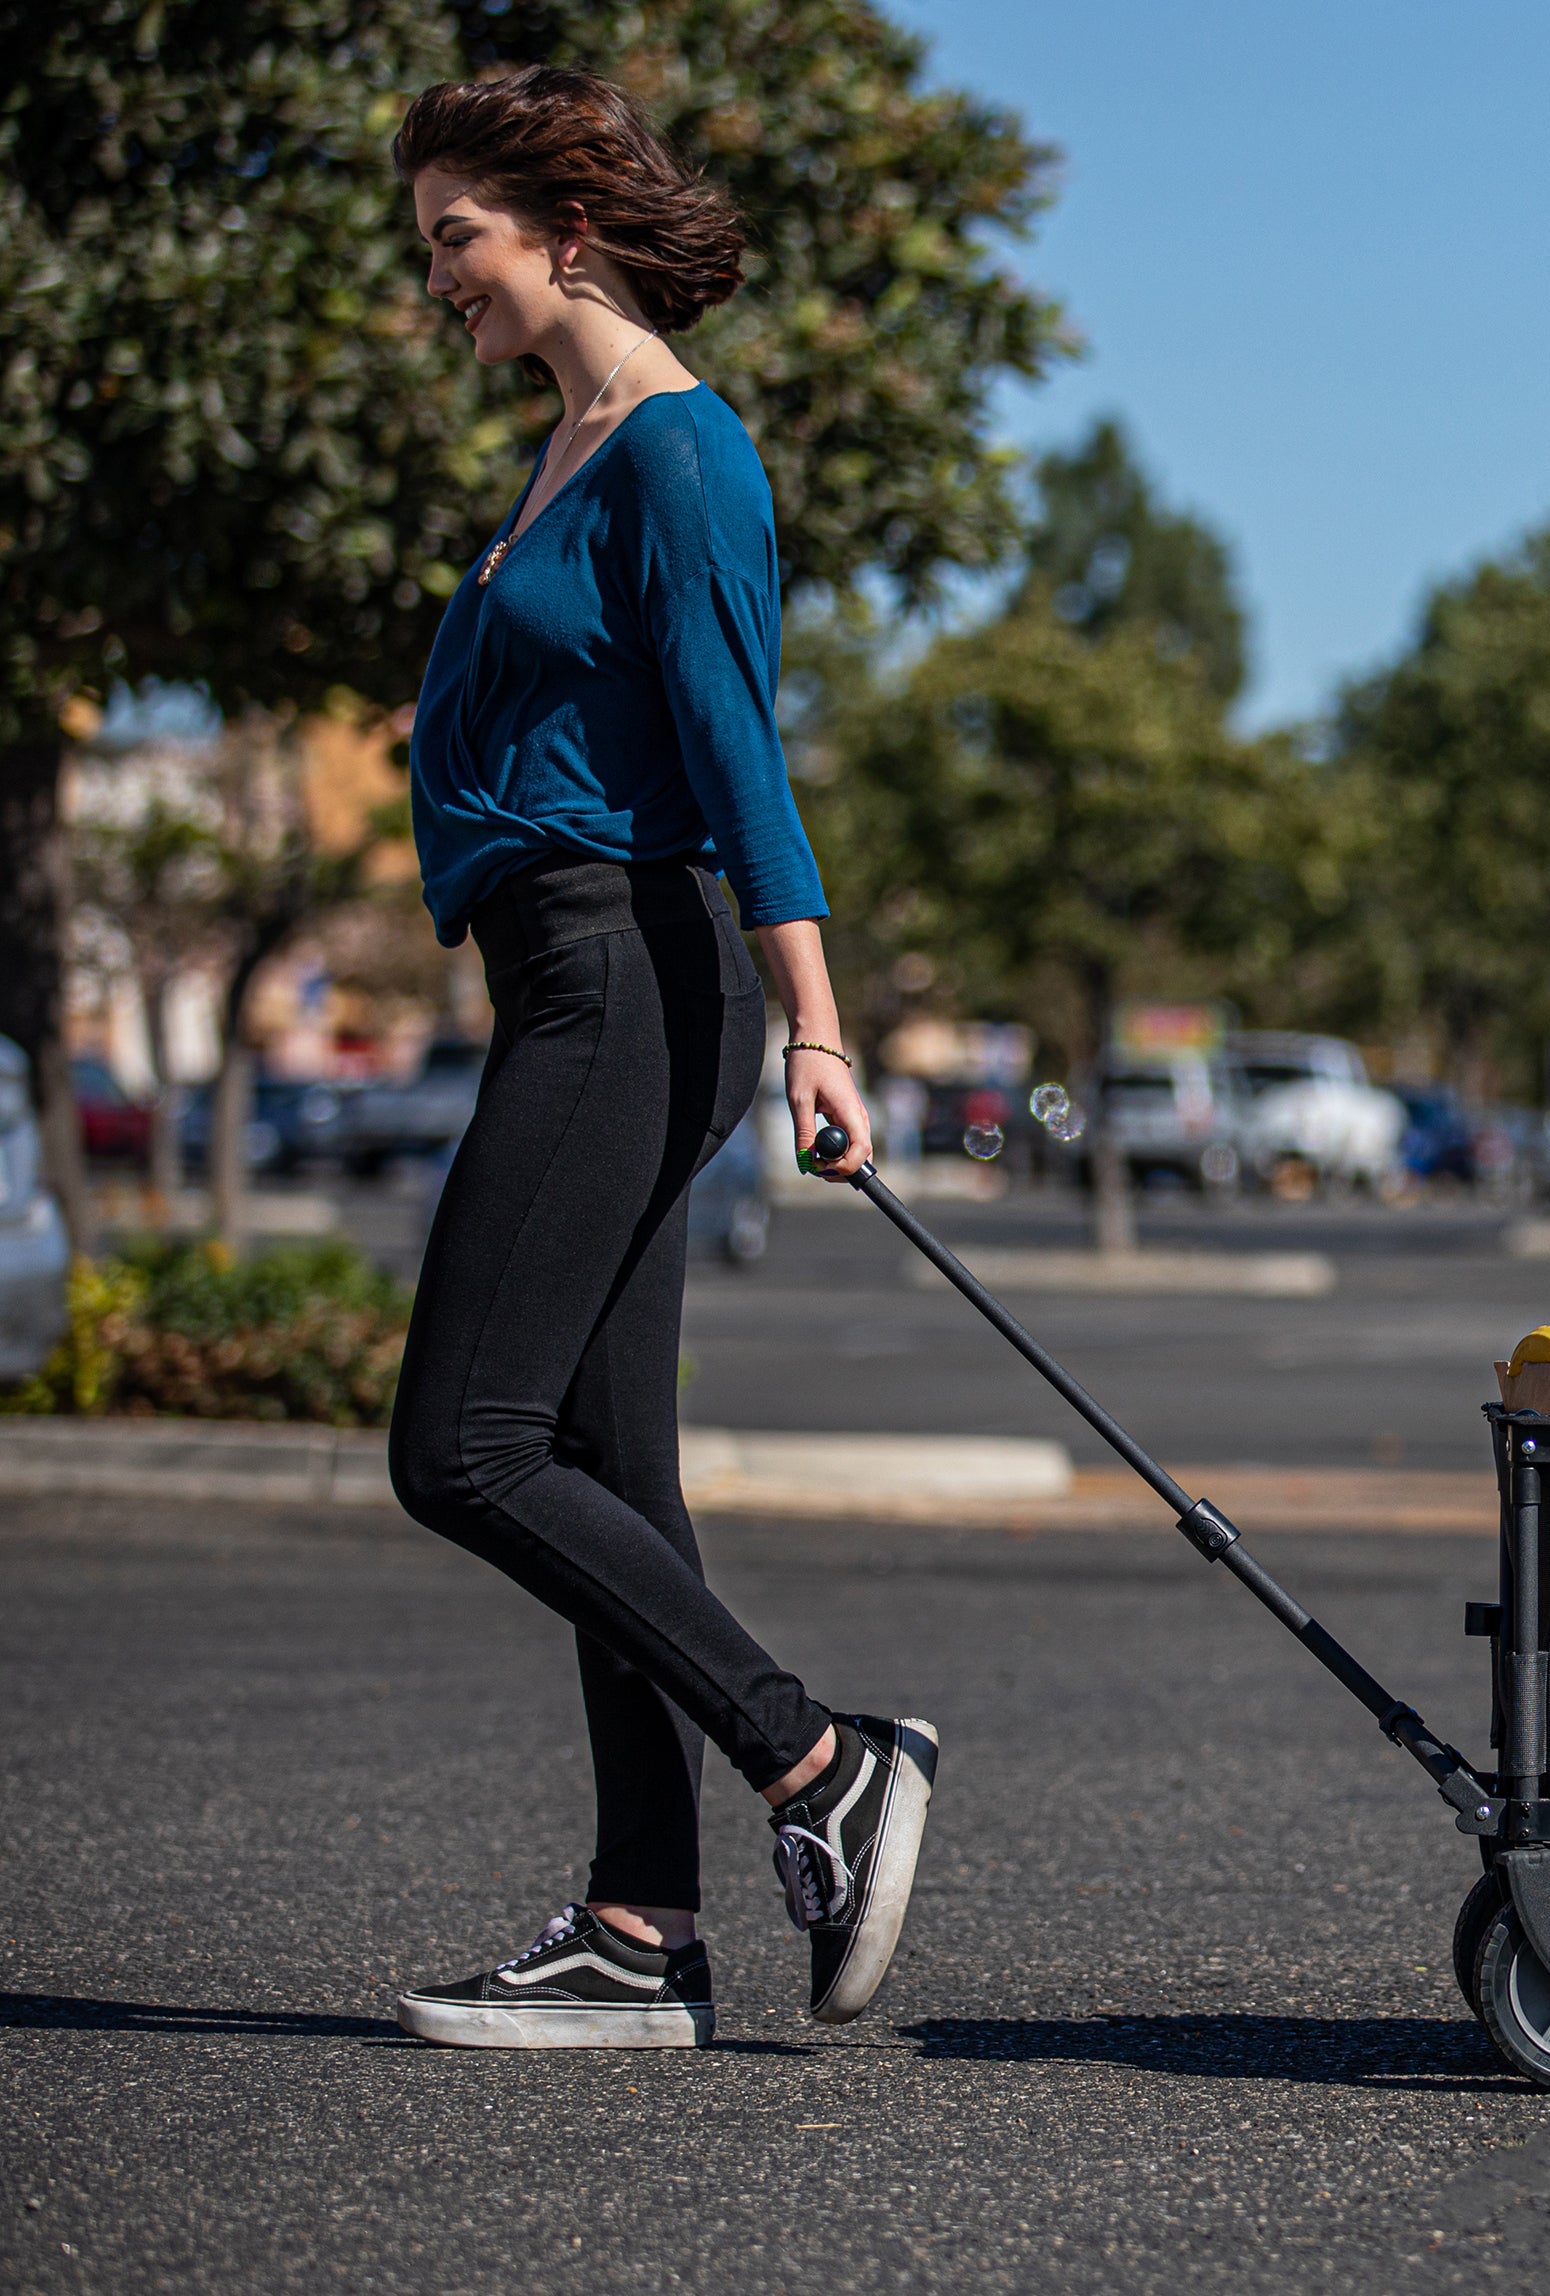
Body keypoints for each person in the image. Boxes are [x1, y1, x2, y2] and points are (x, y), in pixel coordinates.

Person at [381, 65, 933, 2050]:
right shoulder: (568, 443)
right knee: (609, 1473)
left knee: (462, 1447)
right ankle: (642, 1929)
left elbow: (732, 747)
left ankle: (819, 1767)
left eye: (458, 239)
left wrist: (820, 1024)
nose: (436, 276)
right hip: (570, 976)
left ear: (562, 231)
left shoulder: (678, 456)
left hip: (634, 977)